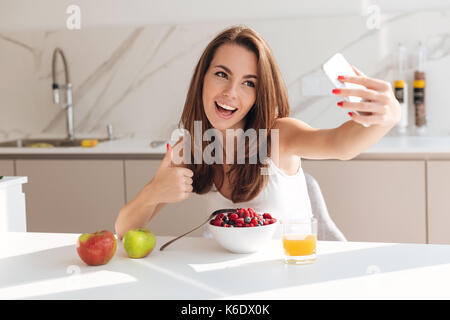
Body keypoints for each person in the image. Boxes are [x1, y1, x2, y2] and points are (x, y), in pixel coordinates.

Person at [114, 25, 400, 240]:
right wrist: (152, 193)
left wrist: (388, 116)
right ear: (202, 78)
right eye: (222, 74)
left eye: (248, 83)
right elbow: (123, 228)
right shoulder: (192, 146)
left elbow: (340, 145)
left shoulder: (278, 135)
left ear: (259, 94)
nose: (230, 93)